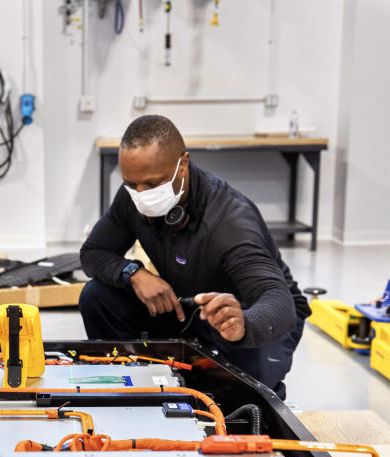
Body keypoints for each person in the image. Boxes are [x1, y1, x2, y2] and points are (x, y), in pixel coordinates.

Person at [79, 115, 310, 399]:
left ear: (183, 165)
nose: (141, 195)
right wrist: (133, 273)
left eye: (152, 185)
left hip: (254, 317)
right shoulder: (133, 196)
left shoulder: (229, 221)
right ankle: (135, 384)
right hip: (192, 306)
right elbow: (92, 253)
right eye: (131, 184)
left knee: (240, 395)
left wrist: (244, 325)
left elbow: (278, 299)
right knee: (96, 296)